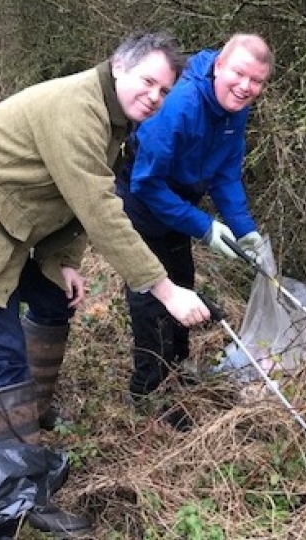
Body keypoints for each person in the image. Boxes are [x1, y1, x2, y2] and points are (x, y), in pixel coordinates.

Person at [0, 32, 211, 537]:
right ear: (119, 66)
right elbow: (98, 208)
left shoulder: (112, 117)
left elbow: (71, 196)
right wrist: (167, 289)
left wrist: (64, 261)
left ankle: (37, 407)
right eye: (147, 81)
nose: (155, 97)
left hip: (4, 216)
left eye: (164, 90)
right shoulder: (78, 109)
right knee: (0, 354)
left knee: (52, 297)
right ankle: (14, 495)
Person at [116, 33, 274, 425]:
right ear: (219, 65)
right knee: (152, 292)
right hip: (143, 196)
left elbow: (225, 172)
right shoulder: (180, 104)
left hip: (179, 200)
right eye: (239, 74)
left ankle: (178, 371)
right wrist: (204, 226)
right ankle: (149, 391)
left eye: (256, 81)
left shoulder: (235, 108)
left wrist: (243, 229)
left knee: (183, 279)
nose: (245, 87)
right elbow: (146, 183)